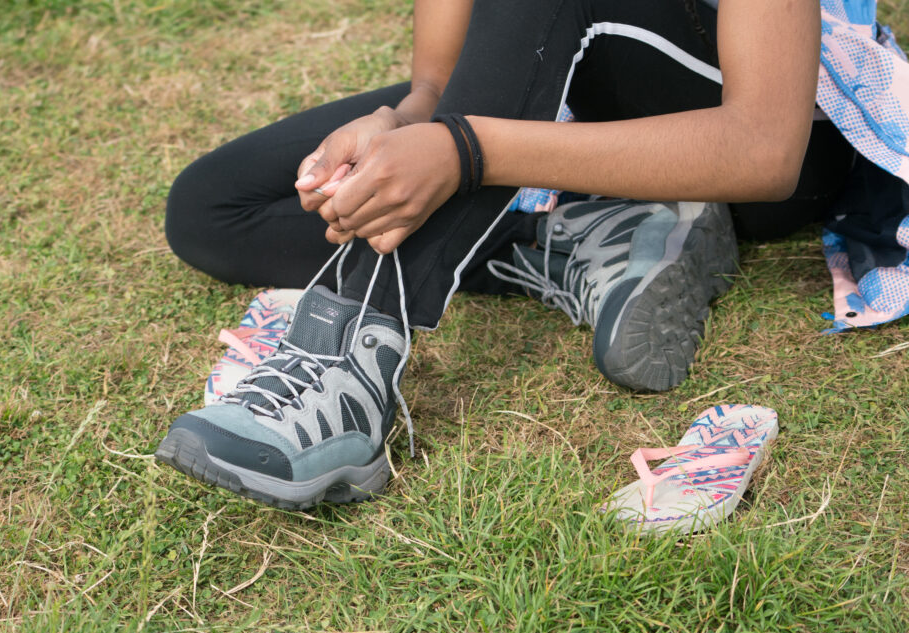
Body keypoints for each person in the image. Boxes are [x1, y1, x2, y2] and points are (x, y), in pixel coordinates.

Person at [152, 0, 855, 509]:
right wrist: (398, 129)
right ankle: (580, 233)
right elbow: (440, 83)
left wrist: (468, 152)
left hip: (766, 138)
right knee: (215, 208)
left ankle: (349, 362)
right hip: (573, 100)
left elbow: (767, 148)